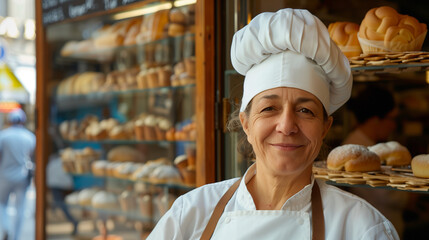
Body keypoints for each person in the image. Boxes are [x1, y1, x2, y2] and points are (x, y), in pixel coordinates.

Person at [148, 8, 399, 239]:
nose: (286, 125)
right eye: (269, 108)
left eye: (305, 110)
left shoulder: (363, 228)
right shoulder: (190, 215)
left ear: (325, 127)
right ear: (245, 124)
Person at [342, 85, 409, 238]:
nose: (393, 125)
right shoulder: (357, 152)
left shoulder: (375, 146)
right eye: (392, 118)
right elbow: (386, 196)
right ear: (375, 120)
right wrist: (411, 195)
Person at [0, 108, 36, 240]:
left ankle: (6, 228)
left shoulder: (3, 135)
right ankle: (15, 237)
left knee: (2, 204)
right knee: (20, 208)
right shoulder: (30, 137)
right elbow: (33, 157)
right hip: (22, 176)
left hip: (4, 176)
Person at [46, 152, 78, 235]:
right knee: (60, 203)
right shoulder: (59, 161)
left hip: (57, 184)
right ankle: (72, 220)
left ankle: (73, 220)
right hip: (61, 184)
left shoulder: (56, 162)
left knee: (60, 203)